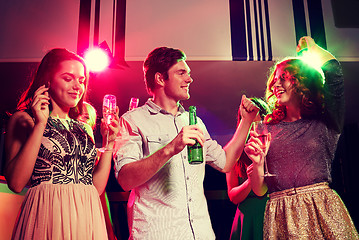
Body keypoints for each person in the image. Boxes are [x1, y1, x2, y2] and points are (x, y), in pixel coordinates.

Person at [113, 47, 259, 239]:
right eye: (181, 73)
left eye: (188, 74)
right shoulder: (133, 120)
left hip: (200, 233)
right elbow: (125, 180)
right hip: (157, 234)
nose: (189, 79)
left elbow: (225, 162)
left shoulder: (195, 122)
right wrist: (171, 148)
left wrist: (246, 121)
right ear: (159, 79)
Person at [245, 36, 359, 239]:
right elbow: (260, 189)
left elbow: (334, 73)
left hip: (322, 209)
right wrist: (258, 163)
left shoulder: (326, 122)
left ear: (303, 81)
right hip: (280, 215)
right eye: (274, 81)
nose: (275, 85)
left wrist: (314, 48)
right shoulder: (264, 128)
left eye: (283, 77)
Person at [4, 48, 119, 239]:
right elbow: (16, 183)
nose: (77, 86)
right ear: (48, 81)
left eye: (81, 80)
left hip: (87, 214)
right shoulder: (24, 119)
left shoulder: (85, 128)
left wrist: (109, 144)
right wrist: (41, 123)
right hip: (48, 213)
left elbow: (95, 188)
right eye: (68, 78)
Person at [226, 97, 270, 240]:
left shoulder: (276, 148)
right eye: (250, 124)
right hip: (247, 220)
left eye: (259, 124)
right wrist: (251, 181)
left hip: (272, 214)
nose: (255, 131)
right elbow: (232, 195)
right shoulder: (236, 152)